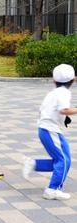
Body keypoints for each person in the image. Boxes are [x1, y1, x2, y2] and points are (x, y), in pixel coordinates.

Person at [23, 64, 77, 200]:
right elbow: (63, 110)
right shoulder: (64, 93)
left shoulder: (52, 93)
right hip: (50, 130)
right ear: (73, 80)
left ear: (54, 80)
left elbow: (43, 110)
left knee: (65, 160)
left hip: (46, 129)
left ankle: (35, 164)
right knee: (63, 160)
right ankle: (52, 189)